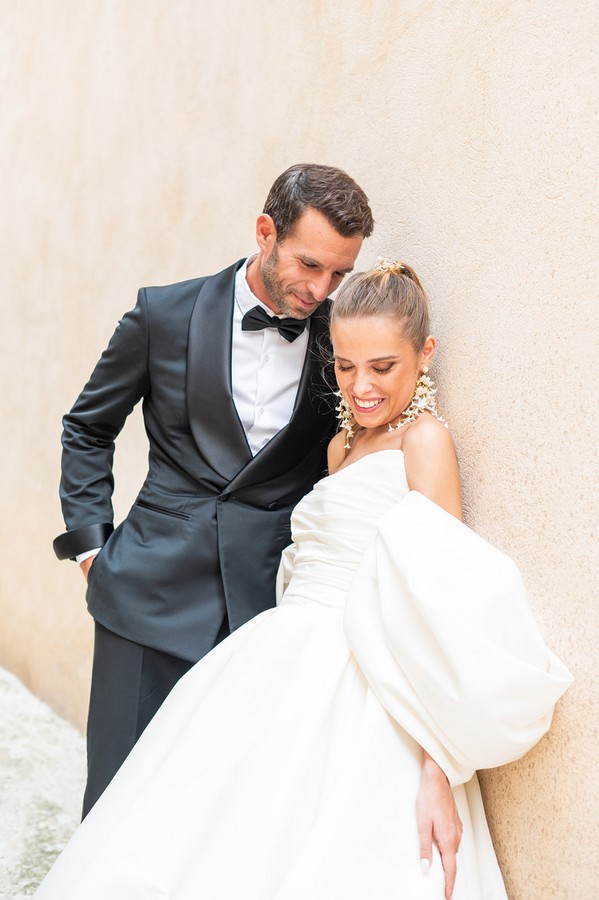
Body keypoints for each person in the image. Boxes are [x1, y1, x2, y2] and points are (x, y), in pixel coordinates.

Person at [37, 259, 572, 899]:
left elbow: (442, 606)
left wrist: (439, 770)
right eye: (345, 367)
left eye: (382, 367)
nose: (361, 387)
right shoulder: (339, 447)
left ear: (424, 353)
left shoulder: (425, 442)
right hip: (284, 650)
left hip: (371, 675)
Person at [52, 163, 374, 816]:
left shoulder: (340, 341)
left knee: (223, 818)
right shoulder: (161, 315)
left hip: (266, 611)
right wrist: (92, 551)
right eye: (310, 265)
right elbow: (88, 428)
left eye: (339, 274)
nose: (321, 289)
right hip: (146, 594)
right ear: (265, 232)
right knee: (119, 805)